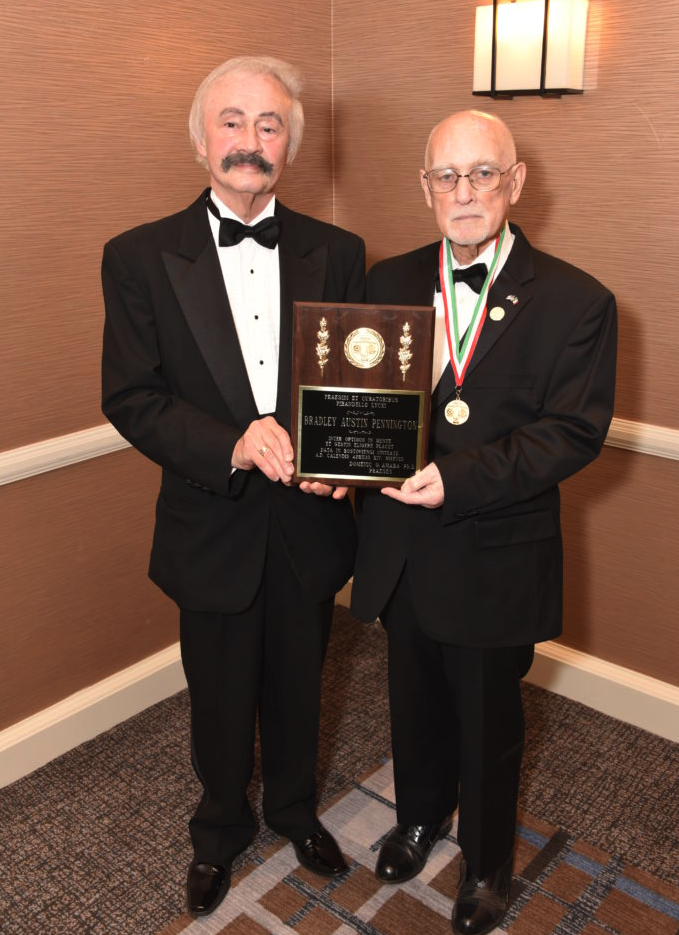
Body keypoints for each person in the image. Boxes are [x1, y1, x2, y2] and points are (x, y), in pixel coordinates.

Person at [101, 56, 365, 917]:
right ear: (199, 138)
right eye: (232, 121)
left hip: (307, 526)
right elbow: (131, 397)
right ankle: (218, 827)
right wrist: (233, 443)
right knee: (216, 697)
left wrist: (343, 462)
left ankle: (292, 808)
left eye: (269, 125)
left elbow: (352, 393)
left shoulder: (339, 251)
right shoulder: (138, 256)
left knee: (300, 683)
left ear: (290, 144)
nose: (249, 141)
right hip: (207, 524)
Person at [350, 110, 616, 935]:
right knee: (413, 701)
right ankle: (420, 815)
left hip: (496, 552)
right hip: (399, 549)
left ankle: (489, 862)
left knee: (489, 720)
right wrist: (339, 461)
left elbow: (570, 432)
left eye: (482, 174)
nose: (463, 192)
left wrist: (457, 478)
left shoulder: (578, 300)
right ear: (423, 187)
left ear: (516, 182)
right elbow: (356, 404)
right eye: (445, 176)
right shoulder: (384, 281)